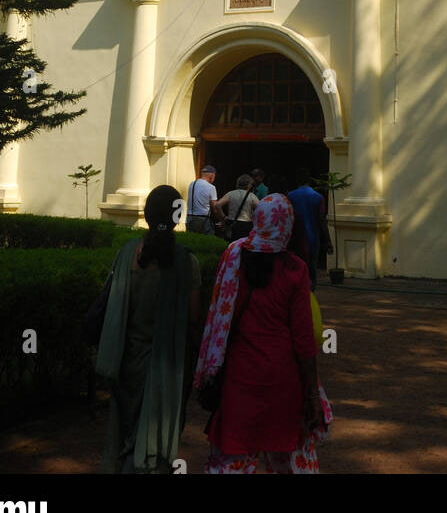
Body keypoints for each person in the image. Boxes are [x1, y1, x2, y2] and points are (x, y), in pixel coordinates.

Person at [194, 193, 332, 474]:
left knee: (233, 458)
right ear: (288, 227)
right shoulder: (295, 269)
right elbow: (304, 341)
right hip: (283, 382)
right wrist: (312, 396)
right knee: (287, 457)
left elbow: (220, 316)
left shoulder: (233, 258)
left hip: (239, 378)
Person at [96, 185, 201, 473]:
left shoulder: (127, 253)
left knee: (125, 431)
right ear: (178, 216)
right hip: (167, 365)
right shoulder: (187, 262)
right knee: (156, 439)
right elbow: (193, 318)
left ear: (146, 214)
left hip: (126, 359)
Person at [287, 169, 331, 290]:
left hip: (294, 239)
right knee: (311, 268)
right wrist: (327, 241)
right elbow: (322, 220)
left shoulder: (290, 196)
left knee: (295, 268)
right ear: (309, 182)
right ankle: (310, 295)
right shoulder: (318, 197)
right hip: (312, 238)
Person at [217, 173, 259, 242]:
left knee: (231, 244)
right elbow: (261, 208)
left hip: (231, 223)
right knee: (243, 245)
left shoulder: (230, 194)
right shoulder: (252, 196)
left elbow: (217, 205)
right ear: (249, 184)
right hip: (245, 225)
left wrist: (224, 218)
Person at [186, 164, 219, 234]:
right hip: (202, 219)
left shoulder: (192, 184)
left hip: (189, 218)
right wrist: (221, 219)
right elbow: (215, 207)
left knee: (191, 240)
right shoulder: (211, 187)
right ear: (212, 176)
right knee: (206, 241)